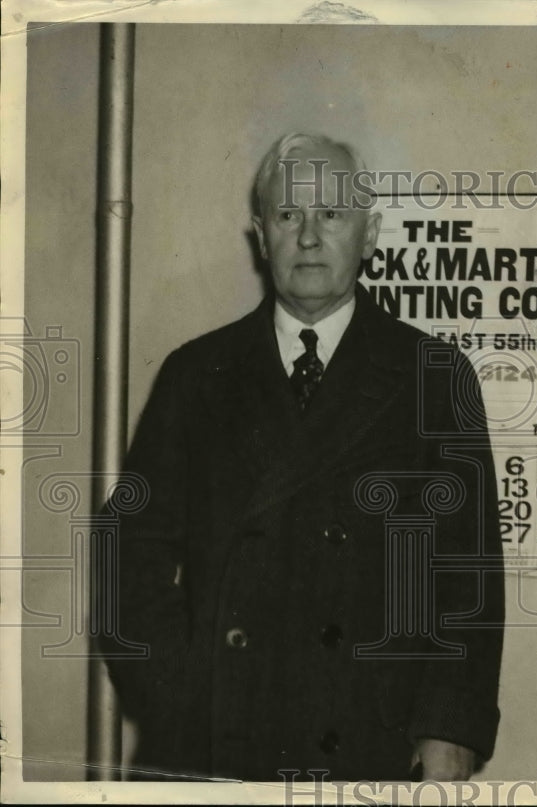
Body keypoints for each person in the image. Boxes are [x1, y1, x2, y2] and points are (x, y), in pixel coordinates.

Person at [98, 133, 504, 782]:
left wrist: (449, 726)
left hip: (376, 738)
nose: (309, 237)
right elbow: (130, 554)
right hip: (213, 743)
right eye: (289, 215)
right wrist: (175, 694)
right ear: (262, 236)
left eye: (332, 215)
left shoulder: (434, 376)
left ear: (369, 234)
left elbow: (467, 581)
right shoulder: (196, 374)